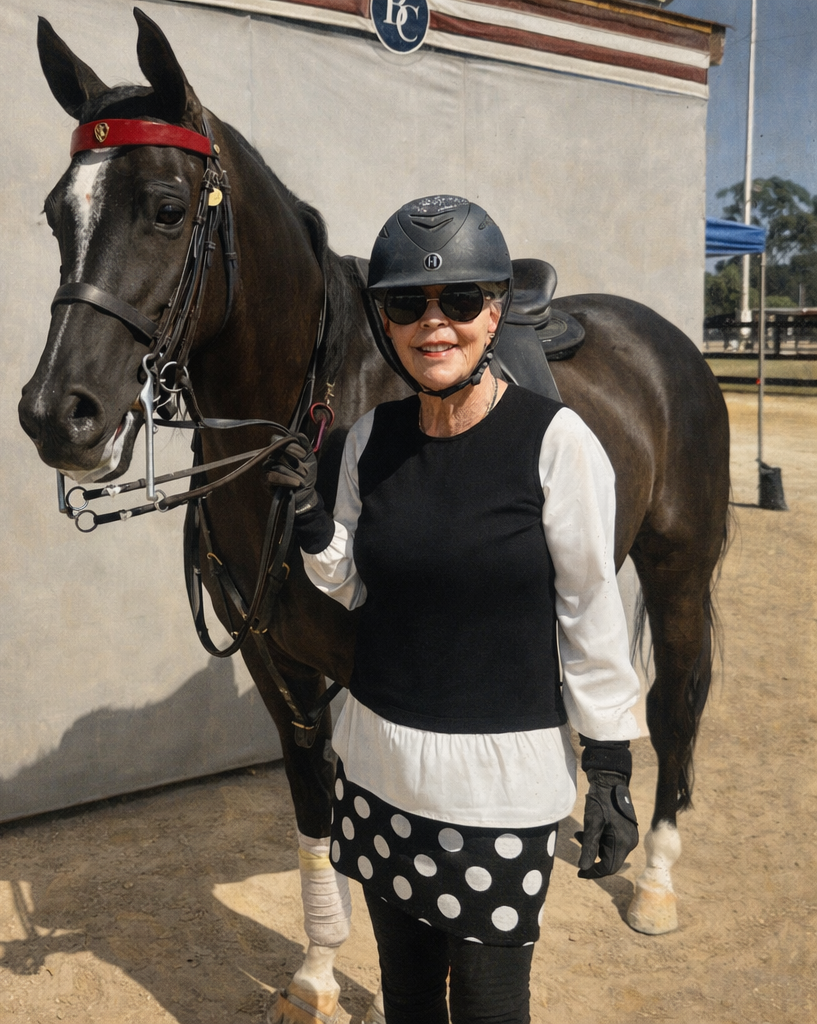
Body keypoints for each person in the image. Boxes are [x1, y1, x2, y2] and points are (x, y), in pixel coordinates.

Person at [264, 195, 641, 1024]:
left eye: (461, 302)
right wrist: (315, 526)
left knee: (487, 1006)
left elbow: (590, 604)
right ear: (386, 324)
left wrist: (610, 764)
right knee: (406, 998)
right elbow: (354, 585)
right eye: (408, 305)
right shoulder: (369, 439)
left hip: (500, 795)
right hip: (381, 772)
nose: (435, 325)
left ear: (495, 312)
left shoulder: (557, 442)